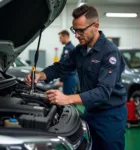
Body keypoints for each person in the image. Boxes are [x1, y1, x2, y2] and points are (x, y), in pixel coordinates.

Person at [25, 4, 127, 150]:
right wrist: (40, 75)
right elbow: (60, 67)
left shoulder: (110, 52)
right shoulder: (79, 50)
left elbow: (103, 92)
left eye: (81, 30)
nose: (77, 35)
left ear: (95, 25)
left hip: (110, 116)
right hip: (91, 112)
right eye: (75, 30)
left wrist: (67, 98)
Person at [57, 30, 77, 95]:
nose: (59, 40)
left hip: (69, 77)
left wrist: (61, 79)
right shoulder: (69, 47)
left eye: (60, 38)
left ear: (65, 37)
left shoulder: (69, 48)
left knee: (69, 99)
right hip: (69, 77)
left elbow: (66, 66)